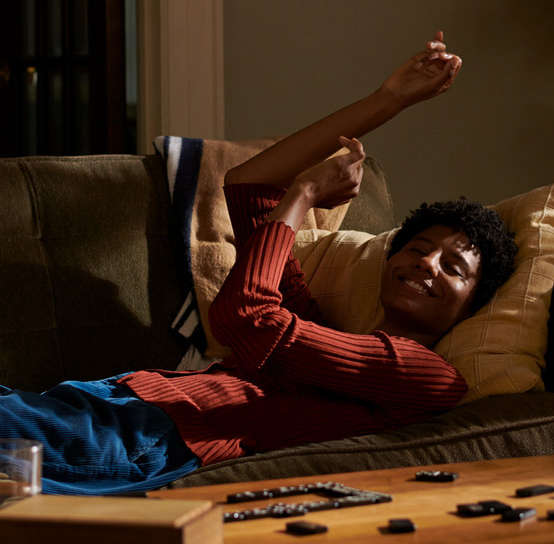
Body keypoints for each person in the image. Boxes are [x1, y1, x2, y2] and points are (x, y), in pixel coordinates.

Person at [0, 32, 517, 496]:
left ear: (473, 303)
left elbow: (245, 315)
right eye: (419, 247)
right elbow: (249, 183)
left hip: (139, 437)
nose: (427, 263)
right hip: (107, 403)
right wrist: (389, 99)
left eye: (454, 267)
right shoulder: (313, 331)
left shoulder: (427, 375)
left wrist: (305, 194)